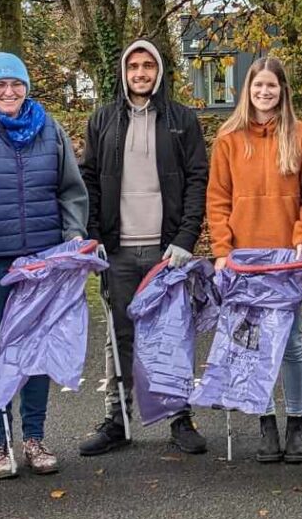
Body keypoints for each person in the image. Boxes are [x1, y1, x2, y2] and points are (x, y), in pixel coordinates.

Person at [0, 53, 89, 479]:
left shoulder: (51, 129)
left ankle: (34, 439)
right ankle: (0, 441)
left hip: (43, 263)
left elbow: (71, 191)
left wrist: (73, 234)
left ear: (27, 86)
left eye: (16, 84)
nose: (8, 92)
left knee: (38, 349)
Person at [75, 39, 211, 457]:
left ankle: (179, 417)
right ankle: (117, 419)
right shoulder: (103, 121)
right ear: (123, 72)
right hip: (117, 250)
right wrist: (94, 235)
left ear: (159, 71)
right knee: (120, 337)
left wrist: (185, 239)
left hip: (166, 250)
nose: (140, 73)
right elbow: (90, 181)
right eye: (133, 66)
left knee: (171, 334)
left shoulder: (181, 120)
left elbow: (196, 181)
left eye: (147, 66)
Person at [206, 56, 302, 462]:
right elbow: (217, 199)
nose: (265, 93)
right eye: (257, 87)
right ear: (247, 91)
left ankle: (296, 425)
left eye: (272, 86)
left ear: (283, 90)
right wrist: (222, 249)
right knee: (253, 344)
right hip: (245, 259)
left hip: (287, 258)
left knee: (290, 344)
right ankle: (265, 424)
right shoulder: (229, 137)